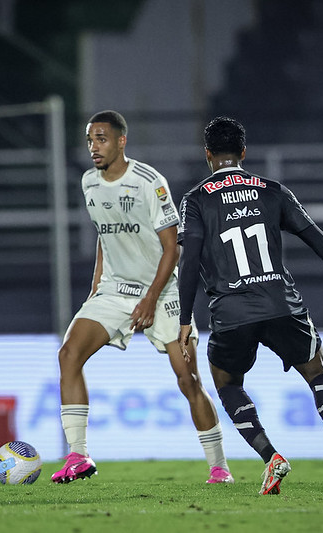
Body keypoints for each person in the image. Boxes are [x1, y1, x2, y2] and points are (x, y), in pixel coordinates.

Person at [177, 116, 323, 496]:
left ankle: (271, 457)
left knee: (226, 382)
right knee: (318, 372)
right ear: (244, 152)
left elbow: (189, 262)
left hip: (231, 311)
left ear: (207, 155)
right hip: (281, 304)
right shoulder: (272, 191)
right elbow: (318, 240)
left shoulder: (197, 199)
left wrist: (186, 320)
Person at [53, 110, 232, 484]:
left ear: (121, 141)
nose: (93, 147)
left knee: (188, 380)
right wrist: (96, 285)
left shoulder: (149, 182)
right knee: (68, 354)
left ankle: (219, 467)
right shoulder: (89, 183)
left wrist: (151, 298)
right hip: (114, 290)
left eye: (101, 139)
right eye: (89, 140)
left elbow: (173, 248)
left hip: (162, 290)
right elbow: (106, 234)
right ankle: (78, 456)